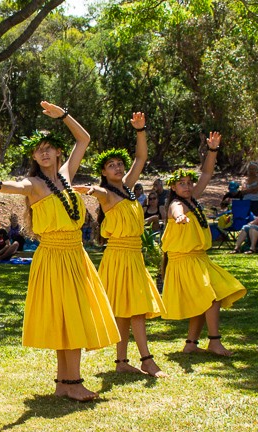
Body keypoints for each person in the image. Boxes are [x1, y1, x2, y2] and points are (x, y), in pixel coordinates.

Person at [0, 101, 119, 401]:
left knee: (73, 316)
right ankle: (72, 382)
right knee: (67, 317)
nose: (43, 152)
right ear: (33, 157)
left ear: (57, 152)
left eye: (48, 147)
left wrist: (64, 115)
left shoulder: (67, 174)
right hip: (53, 256)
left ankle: (65, 383)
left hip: (75, 254)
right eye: (37, 149)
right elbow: (17, 186)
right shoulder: (35, 183)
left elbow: (84, 139)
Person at [80, 112, 166, 377]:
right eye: (111, 165)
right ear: (104, 173)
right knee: (134, 310)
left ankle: (121, 362)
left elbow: (140, 158)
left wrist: (140, 130)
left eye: (120, 164)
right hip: (118, 256)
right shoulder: (107, 194)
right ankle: (147, 360)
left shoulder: (127, 188)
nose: (117, 168)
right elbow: (99, 192)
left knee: (128, 312)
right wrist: (92, 191)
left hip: (134, 256)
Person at [161, 132, 246, 357]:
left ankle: (191, 343)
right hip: (185, 260)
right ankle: (215, 341)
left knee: (205, 299)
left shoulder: (192, 199)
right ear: (174, 188)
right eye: (182, 184)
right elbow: (176, 211)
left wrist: (213, 150)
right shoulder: (177, 205)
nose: (188, 187)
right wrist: (179, 217)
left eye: (189, 183)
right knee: (211, 297)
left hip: (200, 258)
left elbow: (207, 172)